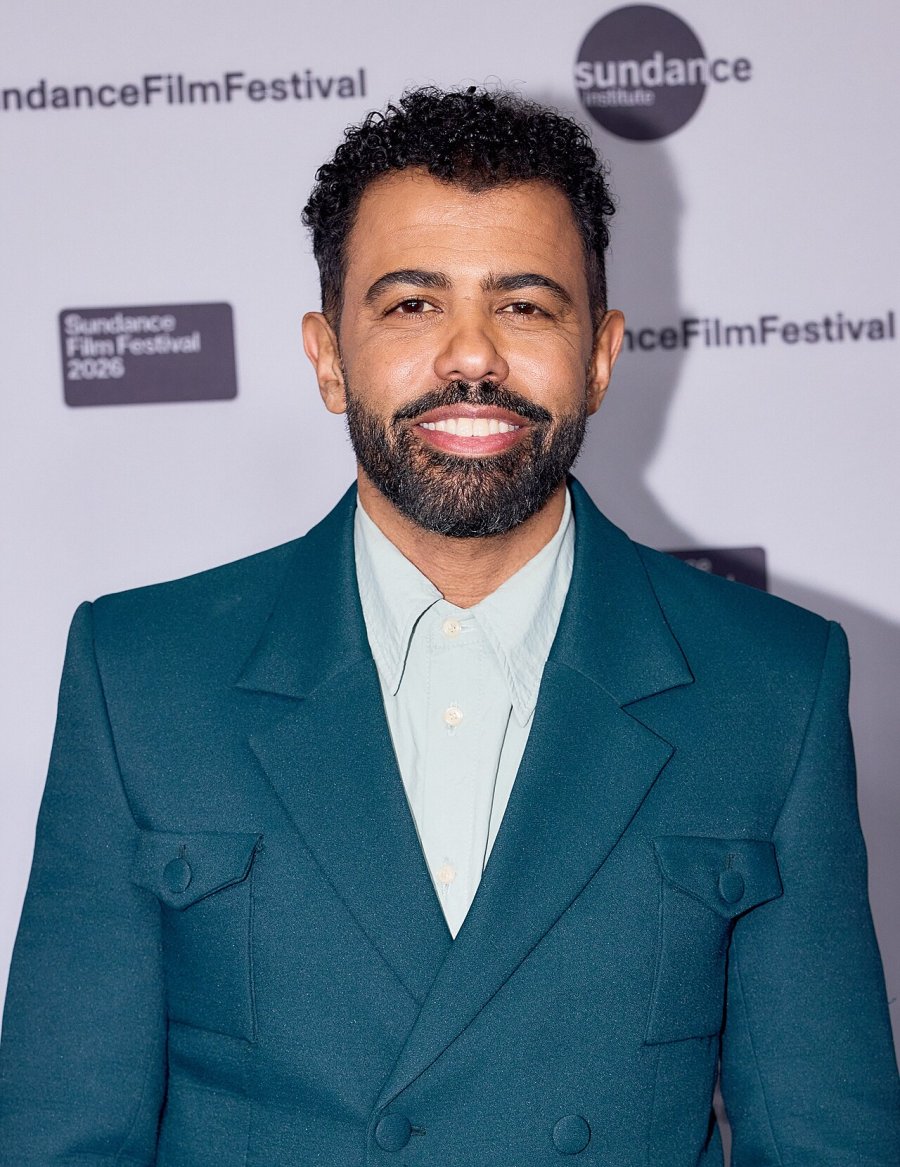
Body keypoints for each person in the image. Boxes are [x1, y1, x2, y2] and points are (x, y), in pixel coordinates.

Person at [0, 85, 897, 1166]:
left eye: (525, 306)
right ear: (328, 357)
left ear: (601, 356)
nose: (472, 358)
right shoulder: (142, 675)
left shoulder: (773, 685)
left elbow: (828, 1140)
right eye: (413, 305)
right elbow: (59, 1136)